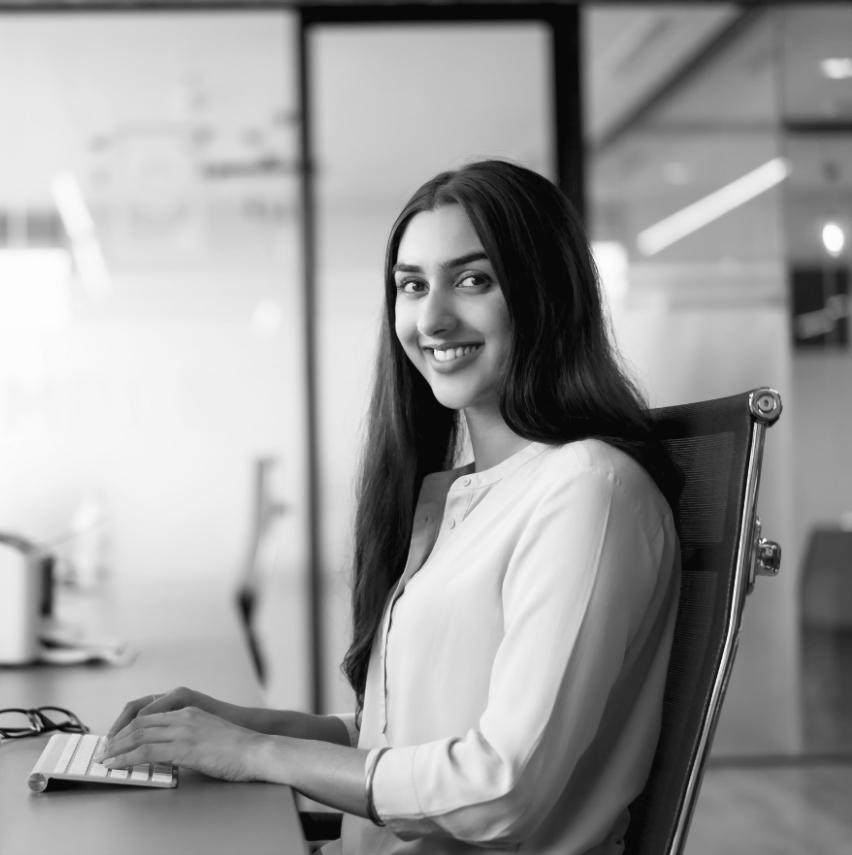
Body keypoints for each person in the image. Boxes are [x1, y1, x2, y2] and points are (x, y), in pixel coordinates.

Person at [97, 160, 681, 855]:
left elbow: (498, 786)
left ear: (546, 293)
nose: (432, 317)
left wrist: (254, 752)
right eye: (412, 285)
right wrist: (238, 726)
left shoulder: (586, 490)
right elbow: (402, 746)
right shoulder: (467, 495)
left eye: (474, 280)